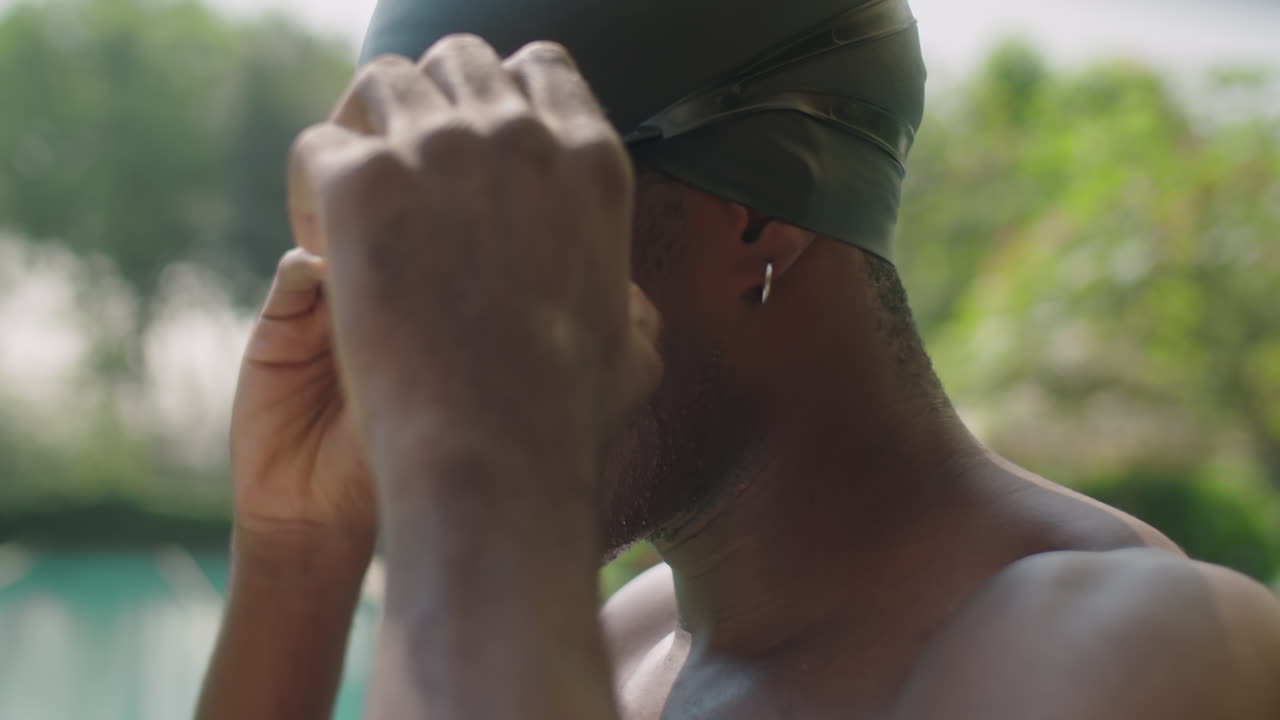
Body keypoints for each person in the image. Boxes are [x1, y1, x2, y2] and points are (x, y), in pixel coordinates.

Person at [196, 1, 1280, 718]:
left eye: (499, 230)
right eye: (391, 251)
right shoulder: (619, 649)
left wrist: (474, 464)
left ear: (764, 210)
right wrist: (296, 556)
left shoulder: (1125, 650)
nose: (411, 328)